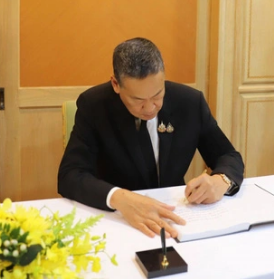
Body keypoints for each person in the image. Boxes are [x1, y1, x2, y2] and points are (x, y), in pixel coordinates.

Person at [58, 37, 244, 238]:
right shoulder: (94, 105)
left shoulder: (189, 102)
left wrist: (221, 180)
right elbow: (70, 175)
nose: (150, 108)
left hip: (175, 216)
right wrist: (119, 198)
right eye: (137, 100)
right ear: (115, 84)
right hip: (118, 221)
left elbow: (227, 155)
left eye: (157, 95)